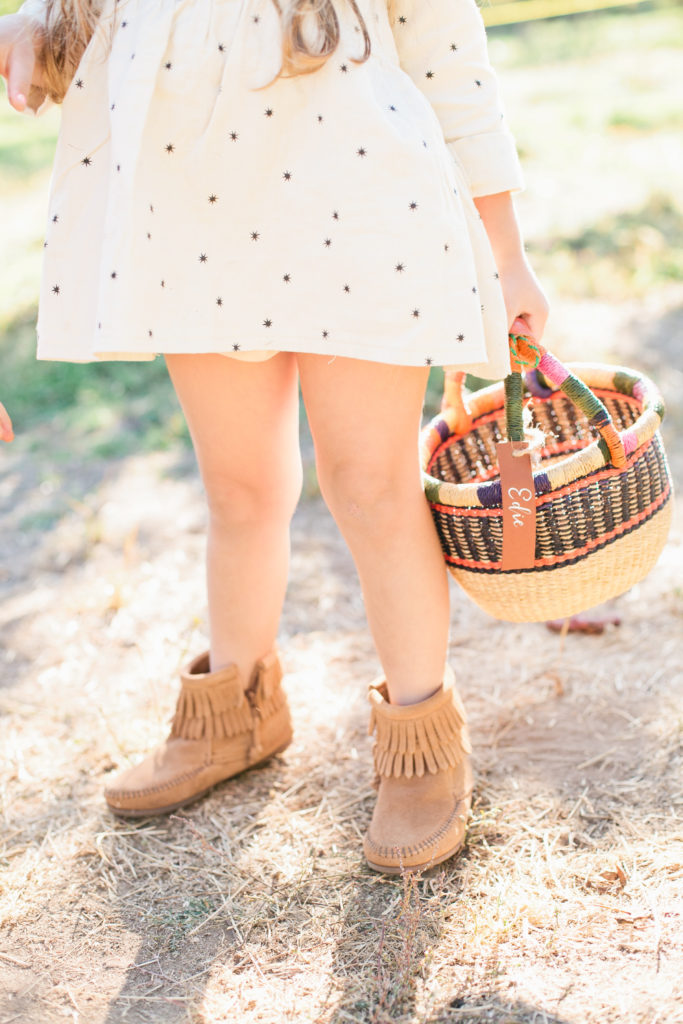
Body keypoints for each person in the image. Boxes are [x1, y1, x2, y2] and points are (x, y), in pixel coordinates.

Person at [0, 0, 549, 874]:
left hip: (365, 205)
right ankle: (234, 712)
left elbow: (450, 54)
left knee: (369, 484)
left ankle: (422, 740)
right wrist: (38, 21)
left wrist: (506, 251)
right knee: (239, 487)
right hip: (187, 214)